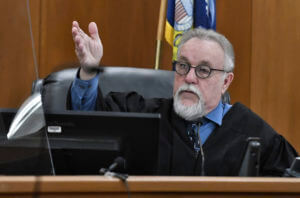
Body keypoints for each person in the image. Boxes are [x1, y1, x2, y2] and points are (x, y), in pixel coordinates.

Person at [69, 21, 297, 176]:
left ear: (226, 82)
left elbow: (291, 179)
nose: (189, 77)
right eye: (183, 66)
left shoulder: (252, 131)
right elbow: (89, 122)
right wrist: (89, 70)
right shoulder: (144, 115)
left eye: (204, 70)